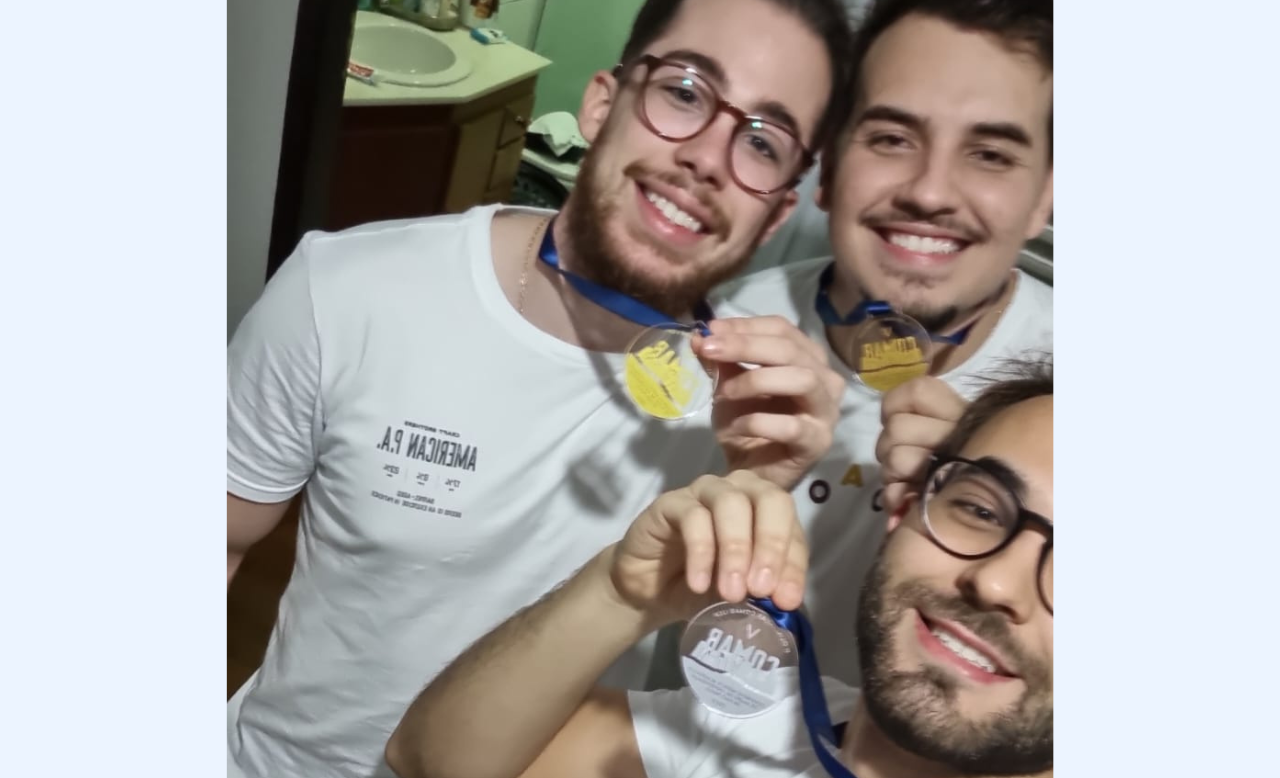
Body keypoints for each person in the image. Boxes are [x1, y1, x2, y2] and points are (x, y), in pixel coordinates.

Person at [225, 0, 855, 775]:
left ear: (778, 212)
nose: (708, 158)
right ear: (602, 103)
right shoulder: (349, 287)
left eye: (762, 142)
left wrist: (761, 486)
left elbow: (716, 696)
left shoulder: (751, 411)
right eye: (685, 92)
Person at [386, 359, 1054, 778]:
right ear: (906, 509)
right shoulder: (763, 723)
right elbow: (429, 760)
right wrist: (622, 595)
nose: (995, 581)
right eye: (980, 509)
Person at [653, 0, 1055, 688]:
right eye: (892, 139)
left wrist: (996, 506)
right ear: (831, 169)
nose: (930, 192)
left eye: (990, 154)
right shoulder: (711, 334)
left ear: (1044, 199)